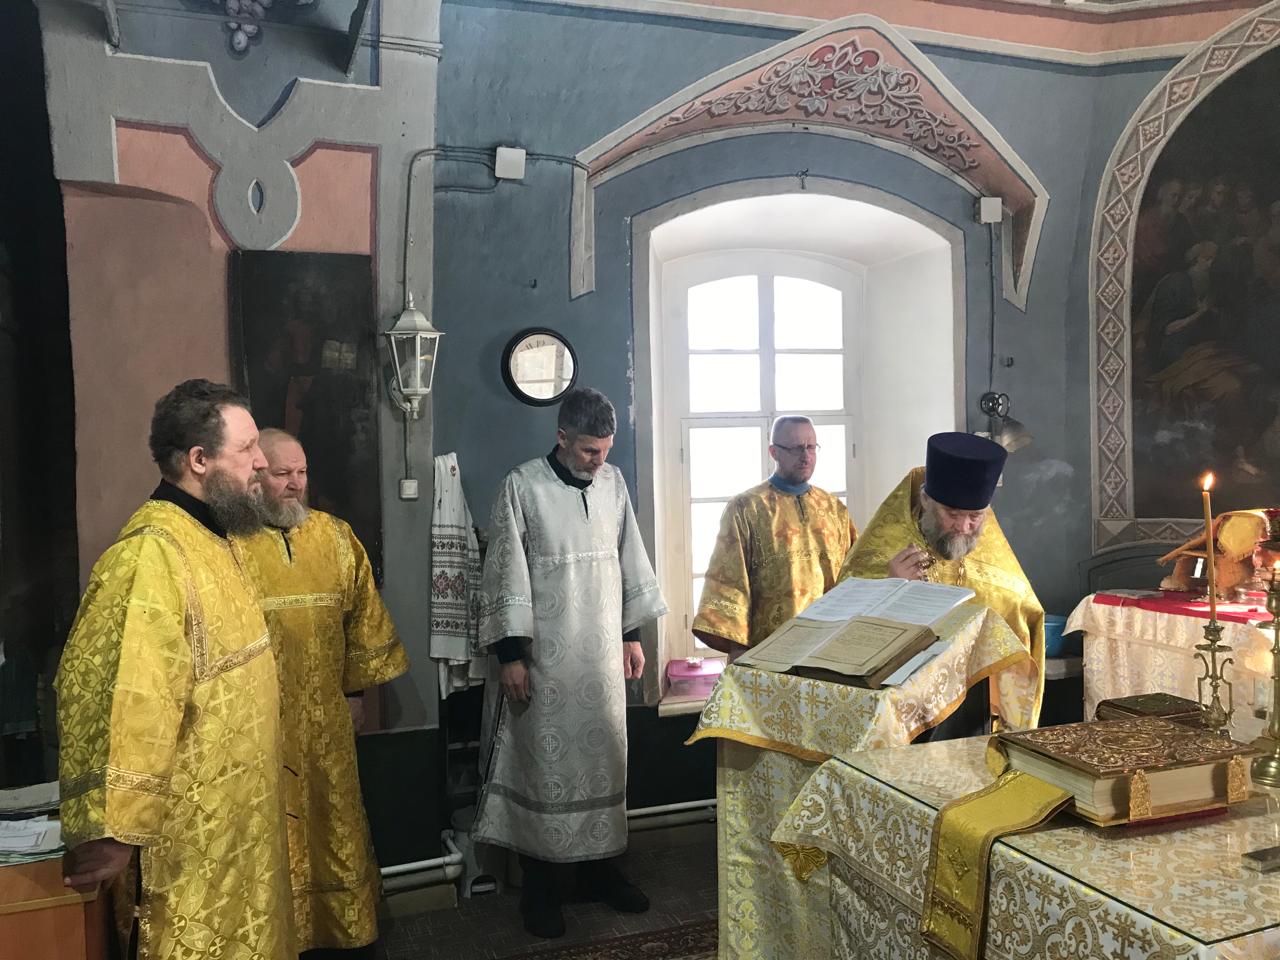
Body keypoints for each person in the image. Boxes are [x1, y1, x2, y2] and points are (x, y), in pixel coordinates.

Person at [55, 379, 295, 959]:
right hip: (186, 842)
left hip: (237, 823)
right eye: (247, 449)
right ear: (198, 460)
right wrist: (114, 829)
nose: (262, 463)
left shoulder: (215, 538)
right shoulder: (150, 555)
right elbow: (125, 695)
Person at [471, 387, 667, 939]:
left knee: (604, 761)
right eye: (588, 451)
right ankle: (541, 890)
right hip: (545, 663)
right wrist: (511, 656)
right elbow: (504, 574)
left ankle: (602, 873)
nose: (598, 461)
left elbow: (628, 559)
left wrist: (631, 636)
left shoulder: (613, 484)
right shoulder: (522, 486)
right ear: (562, 437)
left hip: (601, 661)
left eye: (605, 450)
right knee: (545, 768)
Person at [237, 429, 409, 960]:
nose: (296, 484)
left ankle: (344, 935)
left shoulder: (336, 537)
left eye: (302, 472)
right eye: (283, 473)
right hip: (258, 727)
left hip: (328, 719)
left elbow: (362, 620)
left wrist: (355, 693)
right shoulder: (229, 545)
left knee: (333, 824)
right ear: (256, 475)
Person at [838, 431, 1045, 731]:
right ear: (926, 500)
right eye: (952, 513)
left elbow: (1023, 615)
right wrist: (889, 587)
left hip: (975, 706)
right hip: (902, 705)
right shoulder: (881, 551)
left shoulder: (993, 554)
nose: (963, 527)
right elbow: (843, 626)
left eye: (975, 516)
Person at [692, 416, 856, 655]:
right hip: (766, 648)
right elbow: (729, 582)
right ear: (774, 452)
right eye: (796, 448)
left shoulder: (834, 508)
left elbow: (853, 575)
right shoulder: (746, 508)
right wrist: (738, 650)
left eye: (811, 447)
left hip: (827, 646)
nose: (806, 456)